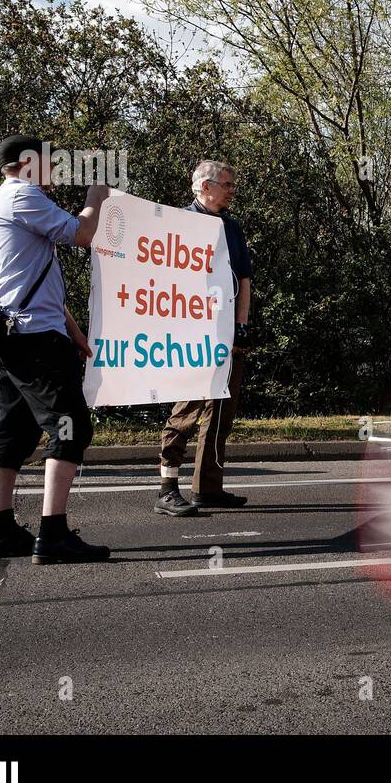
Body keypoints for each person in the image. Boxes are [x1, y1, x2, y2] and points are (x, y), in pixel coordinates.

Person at [0, 135, 110, 564]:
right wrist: (96, 197)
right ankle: (53, 533)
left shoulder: (10, 199)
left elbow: (35, 283)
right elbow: (83, 233)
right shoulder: (22, 197)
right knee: (70, 426)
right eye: (50, 163)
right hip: (36, 342)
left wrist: (73, 330)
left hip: (21, 335)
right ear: (26, 163)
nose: (56, 171)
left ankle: (0, 530)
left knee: (13, 430)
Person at [155, 160, 254, 516]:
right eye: (226, 184)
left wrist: (241, 325)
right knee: (187, 409)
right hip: (193, 336)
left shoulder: (232, 228)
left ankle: (208, 489)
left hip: (228, 333)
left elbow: (244, 279)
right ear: (205, 186)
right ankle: (166, 488)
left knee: (221, 413)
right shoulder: (179, 225)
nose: (232, 190)